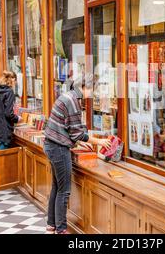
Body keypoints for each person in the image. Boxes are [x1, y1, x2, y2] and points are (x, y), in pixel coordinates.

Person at [43, 73, 112, 234]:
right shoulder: (73, 102)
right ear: (84, 87)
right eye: (92, 89)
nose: (92, 93)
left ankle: (51, 225)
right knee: (64, 190)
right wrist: (99, 142)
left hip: (51, 145)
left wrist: (80, 141)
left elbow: (67, 128)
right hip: (59, 149)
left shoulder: (68, 96)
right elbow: (77, 134)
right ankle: (61, 229)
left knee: (57, 187)